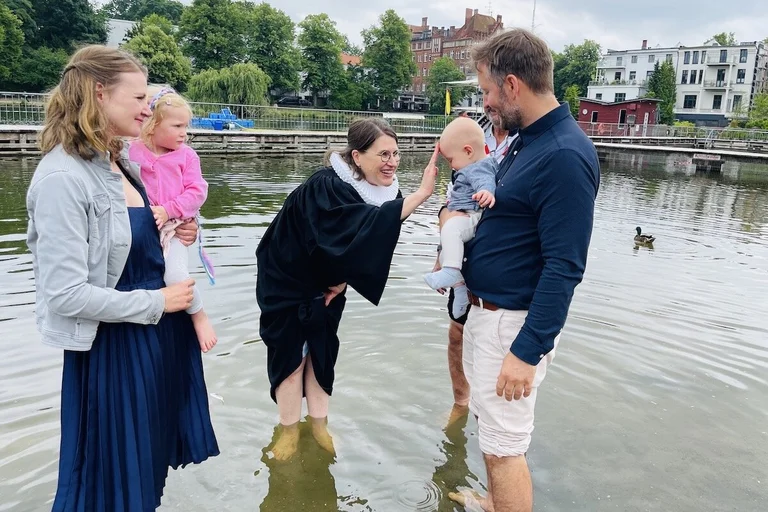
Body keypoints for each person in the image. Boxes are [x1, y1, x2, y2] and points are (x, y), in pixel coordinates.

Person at [25, 45, 219, 511]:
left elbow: (135, 242)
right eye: (137, 98)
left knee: (145, 472)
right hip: (115, 352)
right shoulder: (62, 179)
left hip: (156, 343)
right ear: (98, 93)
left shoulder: (119, 163)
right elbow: (66, 294)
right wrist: (159, 303)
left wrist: (178, 230)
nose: (147, 108)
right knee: (111, 483)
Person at [448, 29, 600, 512]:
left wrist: (525, 353)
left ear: (512, 85)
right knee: (492, 436)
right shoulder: (523, 142)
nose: (486, 104)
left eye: (488, 92)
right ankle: (495, 504)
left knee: (504, 449)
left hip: (512, 326)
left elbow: (564, 267)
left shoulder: (564, 156)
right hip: (488, 317)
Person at [256, 118, 438, 461]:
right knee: (292, 355)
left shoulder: (384, 189)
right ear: (357, 156)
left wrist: (340, 281)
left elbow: (366, 239)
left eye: (396, 153)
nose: (392, 161)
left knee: (322, 352)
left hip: (327, 282)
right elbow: (335, 235)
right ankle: (289, 431)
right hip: (287, 279)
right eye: (383, 153)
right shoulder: (325, 186)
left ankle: (320, 425)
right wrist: (422, 194)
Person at [436, 111, 514, 421]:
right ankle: (461, 403)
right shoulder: (472, 136)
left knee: (491, 346)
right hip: (464, 257)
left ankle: (490, 415)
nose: (488, 102)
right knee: (456, 335)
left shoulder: (525, 148)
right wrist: (441, 254)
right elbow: (449, 205)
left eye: (489, 91)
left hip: (497, 272)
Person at [129, 87, 217, 352]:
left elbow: (197, 191)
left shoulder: (187, 156)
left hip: (174, 226)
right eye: (177, 125)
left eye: (185, 126)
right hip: (145, 227)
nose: (184, 133)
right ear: (152, 124)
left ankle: (199, 314)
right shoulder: (131, 153)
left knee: (175, 274)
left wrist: (169, 210)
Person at [424, 117, 497, 319]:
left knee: (451, 229)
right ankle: (459, 288)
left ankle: (453, 273)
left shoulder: (477, 167)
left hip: (471, 215)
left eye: (450, 160)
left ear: (468, 151)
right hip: (462, 214)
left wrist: (486, 193)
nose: (452, 166)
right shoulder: (468, 165)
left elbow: (485, 181)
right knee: (445, 248)